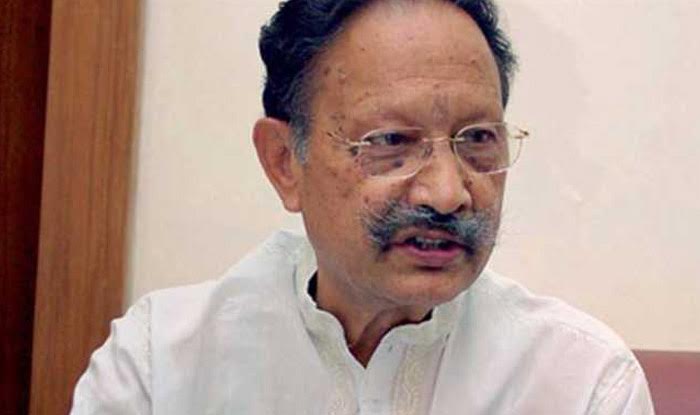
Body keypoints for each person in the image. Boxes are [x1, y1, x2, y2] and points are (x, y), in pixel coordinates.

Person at [71, 0, 655, 413]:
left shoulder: (582, 385)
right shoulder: (160, 367)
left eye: (478, 138)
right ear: (284, 161)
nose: (448, 193)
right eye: (391, 141)